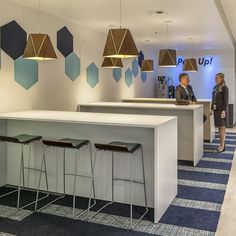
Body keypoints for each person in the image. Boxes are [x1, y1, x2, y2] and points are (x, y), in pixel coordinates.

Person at [210, 73, 229, 152]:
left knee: (222, 128)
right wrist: (211, 109)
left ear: (222, 79)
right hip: (216, 111)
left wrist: (224, 110)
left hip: (222, 111)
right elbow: (213, 98)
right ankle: (221, 144)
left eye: (217, 78)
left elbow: (226, 100)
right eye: (215, 78)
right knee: (219, 127)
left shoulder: (225, 88)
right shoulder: (215, 87)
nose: (216, 79)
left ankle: (222, 146)